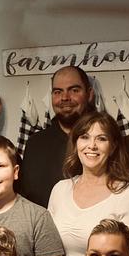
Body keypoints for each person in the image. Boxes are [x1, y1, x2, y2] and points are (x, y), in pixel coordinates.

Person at [47, 112, 129, 256]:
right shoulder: (60, 190)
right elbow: (46, 251)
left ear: (113, 146)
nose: (92, 145)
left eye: (101, 139)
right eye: (84, 137)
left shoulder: (127, 194)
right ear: (76, 143)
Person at [21, 65, 96, 207]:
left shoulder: (104, 141)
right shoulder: (35, 144)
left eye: (74, 90)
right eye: (57, 92)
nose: (65, 97)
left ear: (89, 94)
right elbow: (26, 199)